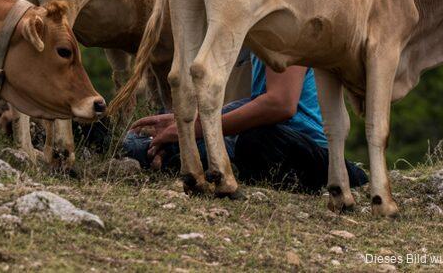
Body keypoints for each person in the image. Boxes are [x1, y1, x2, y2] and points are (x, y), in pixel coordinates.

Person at [123, 53, 368, 192]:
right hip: (268, 137)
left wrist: (194, 129)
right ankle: (127, 147)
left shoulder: (287, 32)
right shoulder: (260, 35)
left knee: (253, 141)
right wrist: (184, 121)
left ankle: (349, 175)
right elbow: (256, 101)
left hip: (300, 147)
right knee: (152, 143)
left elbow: (281, 104)